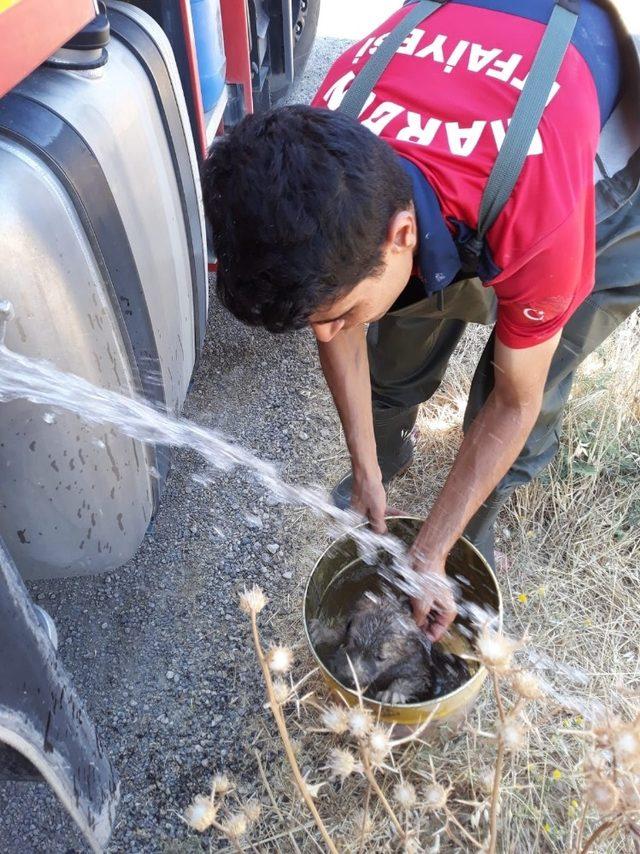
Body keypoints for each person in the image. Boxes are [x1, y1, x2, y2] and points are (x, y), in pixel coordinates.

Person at [202, 0, 640, 641]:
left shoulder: (537, 211)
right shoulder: (325, 142)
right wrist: (366, 469)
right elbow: (344, 320)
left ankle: (471, 541)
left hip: (599, 167)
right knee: (396, 336)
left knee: (524, 378)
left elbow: (514, 404)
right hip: (474, 91)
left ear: (403, 232)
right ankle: (387, 455)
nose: (328, 336)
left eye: (338, 314)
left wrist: (432, 549)